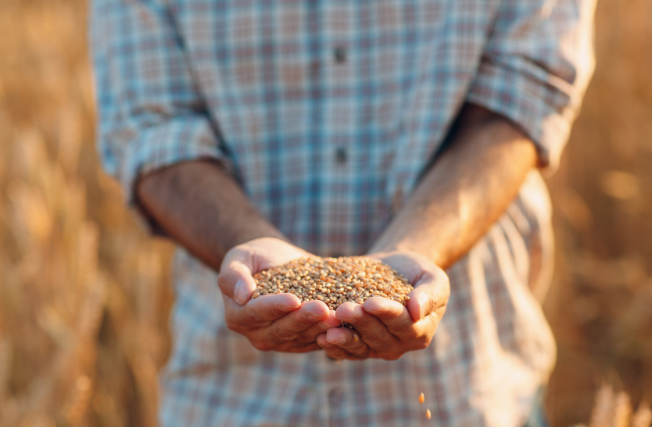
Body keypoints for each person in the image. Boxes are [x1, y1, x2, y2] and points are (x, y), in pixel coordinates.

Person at [91, 0, 595, 425]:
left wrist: (419, 246)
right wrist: (244, 243)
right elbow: (153, 127)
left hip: (466, 391)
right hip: (233, 397)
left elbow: (524, 93)